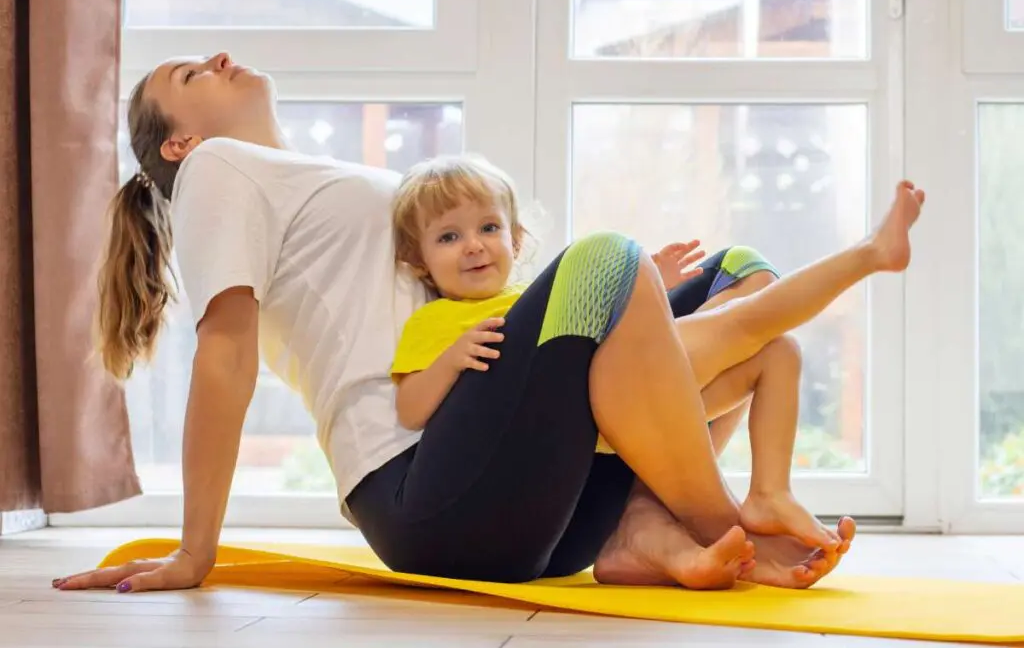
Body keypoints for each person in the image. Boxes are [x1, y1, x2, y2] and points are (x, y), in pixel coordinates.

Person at [52, 52, 923, 595]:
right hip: (429, 493)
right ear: (179, 146)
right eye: (190, 76)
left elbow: (482, 313)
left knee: (729, 270)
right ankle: (725, 516)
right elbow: (225, 351)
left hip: (535, 508)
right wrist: (194, 553)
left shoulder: (303, 179)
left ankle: (636, 533)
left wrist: (639, 303)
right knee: (603, 254)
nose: (218, 58)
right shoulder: (221, 171)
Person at [386, 153, 838, 552]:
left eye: (488, 228)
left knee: (748, 274)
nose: (473, 245)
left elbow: (608, 343)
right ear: (420, 261)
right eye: (448, 237)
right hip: (548, 438)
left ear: (515, 240)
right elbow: (409, 409)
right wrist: (450, 360)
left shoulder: (531, 300)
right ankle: (706, 512)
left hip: (618, 407)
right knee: (757, 334)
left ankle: (703, 500)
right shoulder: (435, 321)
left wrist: (648, 287)